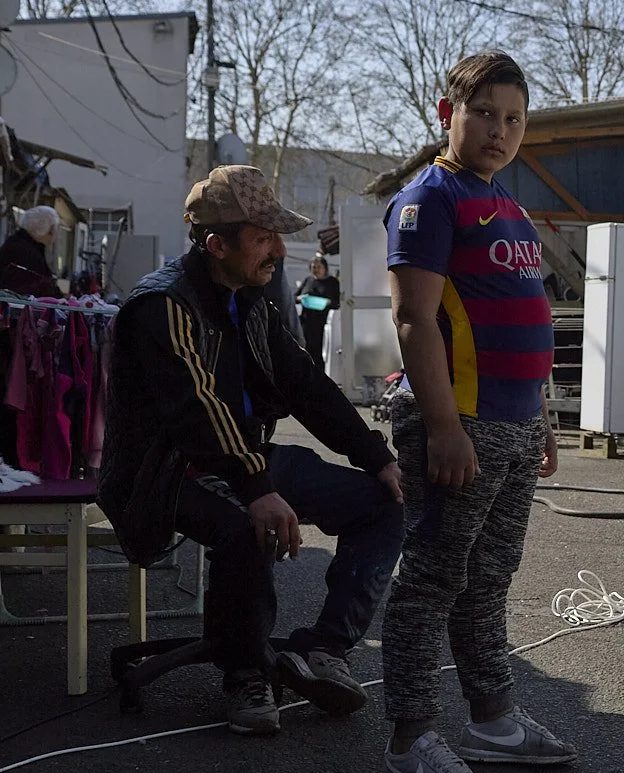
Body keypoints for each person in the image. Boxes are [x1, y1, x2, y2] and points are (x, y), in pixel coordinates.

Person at [97, 166, 407, 736]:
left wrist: (377, 457)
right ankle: (246, 672)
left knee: (382, 504)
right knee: (246, 524)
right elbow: (196, 411)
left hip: (244, 460)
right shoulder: (162, 305)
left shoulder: (252, 300)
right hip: (163, 474)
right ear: (218, 245)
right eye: (264, 238)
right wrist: (258, 488)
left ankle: (322, 650)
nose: (279, 251)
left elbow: (306, 385)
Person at [380, 50, 567, 773]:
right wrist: (442, 427)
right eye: (484, 113)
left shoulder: (507, 205)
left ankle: (493, 720)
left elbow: (521, 315)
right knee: (431, 580)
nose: (499, 130)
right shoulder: (429, 200)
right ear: (446, 114)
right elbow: (413, 319)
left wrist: (540, 418)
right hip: (460, 423)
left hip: (515, 426)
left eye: (513, 119)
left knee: (488, 581)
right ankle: (411, 740)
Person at [0, 205, 61, 298]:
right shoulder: (26, 252)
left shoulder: (19, 243)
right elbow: (44, 288)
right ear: (50, 231)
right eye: (55, 228)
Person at [293, 256, 341, 364]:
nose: (316, 270)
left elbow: (338, 302)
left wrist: (328, 302)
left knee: (321, 354)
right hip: (307, 323)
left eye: (319, 267)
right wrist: (300, 298)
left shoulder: (332, 282)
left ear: (325, 268)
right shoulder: (308, 280)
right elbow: (294, 297)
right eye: (313, 267)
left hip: (323, 324)